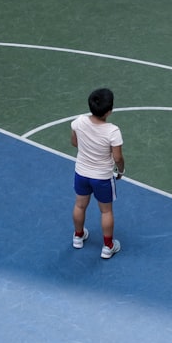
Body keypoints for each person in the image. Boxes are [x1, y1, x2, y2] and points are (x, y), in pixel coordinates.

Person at [70, 88, 124, 259]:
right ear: (109, 111)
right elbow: (118, 157)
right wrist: (121, 170)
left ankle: (78, 236)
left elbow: (74, 143)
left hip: (81, 173)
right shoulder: (113, 131)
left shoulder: (78, 122)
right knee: (106, 211)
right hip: (102, 177)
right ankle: (108, 247)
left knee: (79, 205)